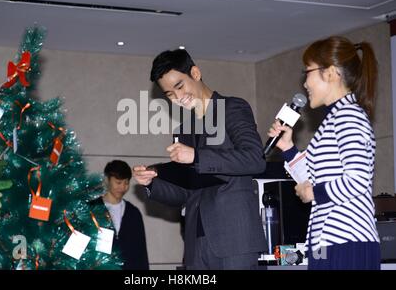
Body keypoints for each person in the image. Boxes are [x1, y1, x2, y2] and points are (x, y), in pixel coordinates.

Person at [133, 49, 267, 270]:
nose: (177, 98)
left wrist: (196, 156)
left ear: (195, 73)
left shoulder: (232, 107)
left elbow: (255, 159)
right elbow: (185, 193)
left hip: (235, 239)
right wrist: (152, 183)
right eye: (169, 94)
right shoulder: (185, 130)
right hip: (196, 242)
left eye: (179, 86)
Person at [267, 36, 380, 270]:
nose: (305, 83)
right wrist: (288, 149)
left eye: (307, 72)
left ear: (330, 73)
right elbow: (312, 178)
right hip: (326, 242)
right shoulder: (334, 119)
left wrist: (315, 193)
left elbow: (357, 181)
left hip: (348, 241)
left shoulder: (349, 116)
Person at [89, 160, 149, 270]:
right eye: (118, 182)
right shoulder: (92, 209)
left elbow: (141, 253)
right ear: (107, 180)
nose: (122, 187)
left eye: (126, 183)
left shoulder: (133, 213)